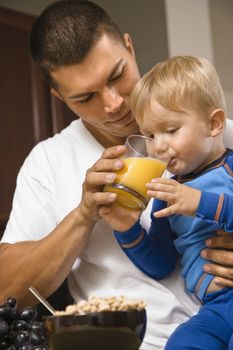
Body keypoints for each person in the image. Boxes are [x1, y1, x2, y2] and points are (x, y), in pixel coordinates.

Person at [0, 1, 233, 348]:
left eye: (116, 76)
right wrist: (84, 215)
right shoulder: (48, 161)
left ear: (129, 46)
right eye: (85, 97)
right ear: (59, 97)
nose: (113, 104)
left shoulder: (214, 133)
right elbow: (8, 291)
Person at [100, 55, 233, 349]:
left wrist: (199, 202)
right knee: (183, 342)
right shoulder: (166, 193)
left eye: (171, 130)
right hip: (214, 307)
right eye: (149, 134)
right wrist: (127, 229)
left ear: (214, 124)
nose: (158, 145)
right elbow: (161, 262)